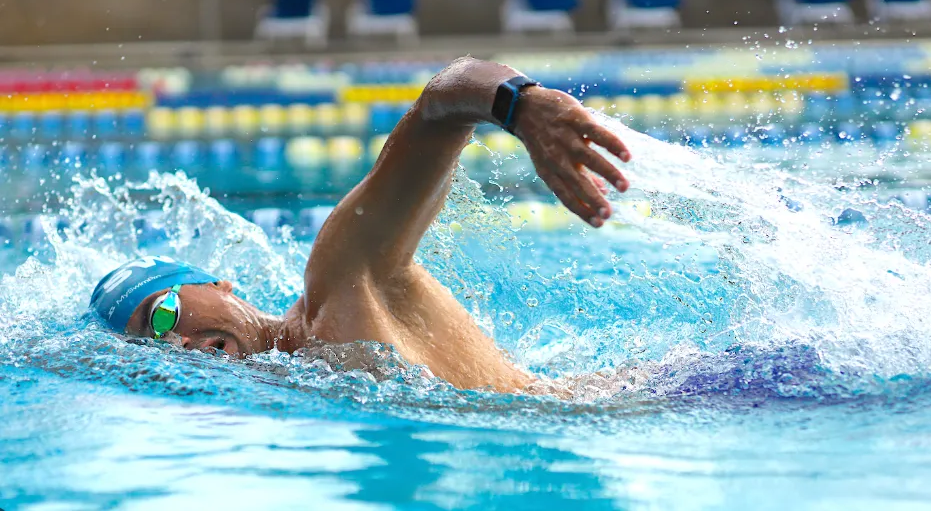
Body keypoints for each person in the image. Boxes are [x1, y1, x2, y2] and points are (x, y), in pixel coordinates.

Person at [89, 57, 632, 393]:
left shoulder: (339, 284)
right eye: (151, 347)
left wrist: (517, 104)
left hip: (665, 404)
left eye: (163, 316)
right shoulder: (292, 387)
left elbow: (438, 105)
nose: (178, 344)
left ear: (217, 283)